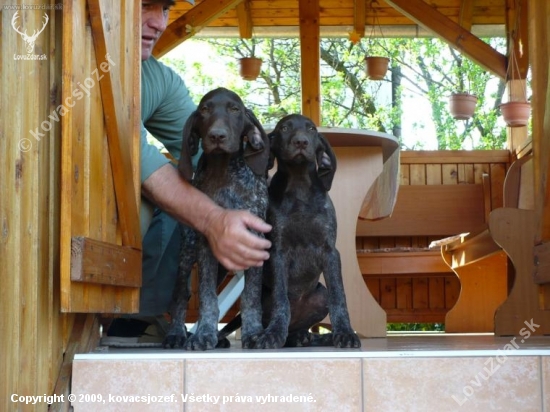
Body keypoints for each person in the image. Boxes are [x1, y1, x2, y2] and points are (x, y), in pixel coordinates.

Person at [107, 0, 272, 339]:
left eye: (165, 9)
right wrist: (213, 220)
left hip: (120, 214)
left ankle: (140, 317)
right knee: (175, 201)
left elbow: (205, 154)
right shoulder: (88, 69)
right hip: (75, 209)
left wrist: (255, 201)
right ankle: (122, 313)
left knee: (185, 193)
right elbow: (136, 155)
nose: (158, 22)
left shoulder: (160, 80)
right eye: (145, 6)